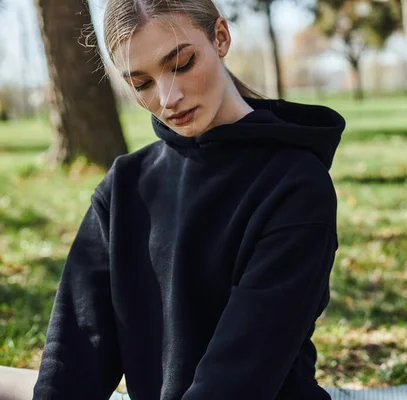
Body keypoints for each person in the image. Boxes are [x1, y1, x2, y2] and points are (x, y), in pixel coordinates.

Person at [2, 0, 345, 399]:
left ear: (220, 37)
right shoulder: (125, 185)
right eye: (141, 83)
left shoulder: (295, 184)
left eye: (181, 64)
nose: (167, 97)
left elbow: (240, 375)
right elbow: (78, 349)